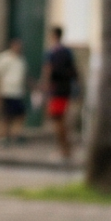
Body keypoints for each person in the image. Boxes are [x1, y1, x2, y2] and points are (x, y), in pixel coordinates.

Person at [42, 25, 79, 163]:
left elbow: (48, 70)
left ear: (53, 36)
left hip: (56, 91)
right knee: (62, 120)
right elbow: (74, 70)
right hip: (66, 90)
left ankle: (64, 150)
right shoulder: (68, 52)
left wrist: (45, 88)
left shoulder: (52, 52)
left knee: (58, 121)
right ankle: (66, 149)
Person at [0, 36, 30, 145]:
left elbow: (24, 77)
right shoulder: (4, 58)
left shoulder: (21, 60)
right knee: (5, 116)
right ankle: (1, 138)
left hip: (18, 92)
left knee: (20, 115)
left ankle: (15, 135)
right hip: (6, 92)